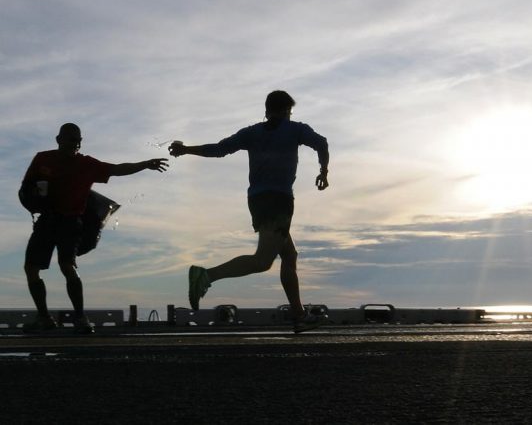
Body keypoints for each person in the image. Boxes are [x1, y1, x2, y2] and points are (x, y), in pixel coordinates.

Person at [169, 90, 329, 333]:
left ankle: (299, 315)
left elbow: (219, 149)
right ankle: (206, 276)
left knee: (289, 255)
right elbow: (322, 143)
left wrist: (185, 149)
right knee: (263, 261)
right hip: (279, 200)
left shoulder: (251, 133)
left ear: (267, 110)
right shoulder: (296, 129)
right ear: (287, 111)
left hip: (257, 199)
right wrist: (324, 171)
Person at [21, 123, 168, 334]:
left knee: (67, 266)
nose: (75, 143)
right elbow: (26, 187)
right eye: (70, 138)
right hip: (46, 220)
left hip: (71, 222)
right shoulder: (42, 158)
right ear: (58, 139)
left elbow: (117, 169)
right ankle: (44, 318)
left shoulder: (87, 165)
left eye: (78, 140)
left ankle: (81, 318)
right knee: (31, 268)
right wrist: (33, 197)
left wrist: (145, 164)